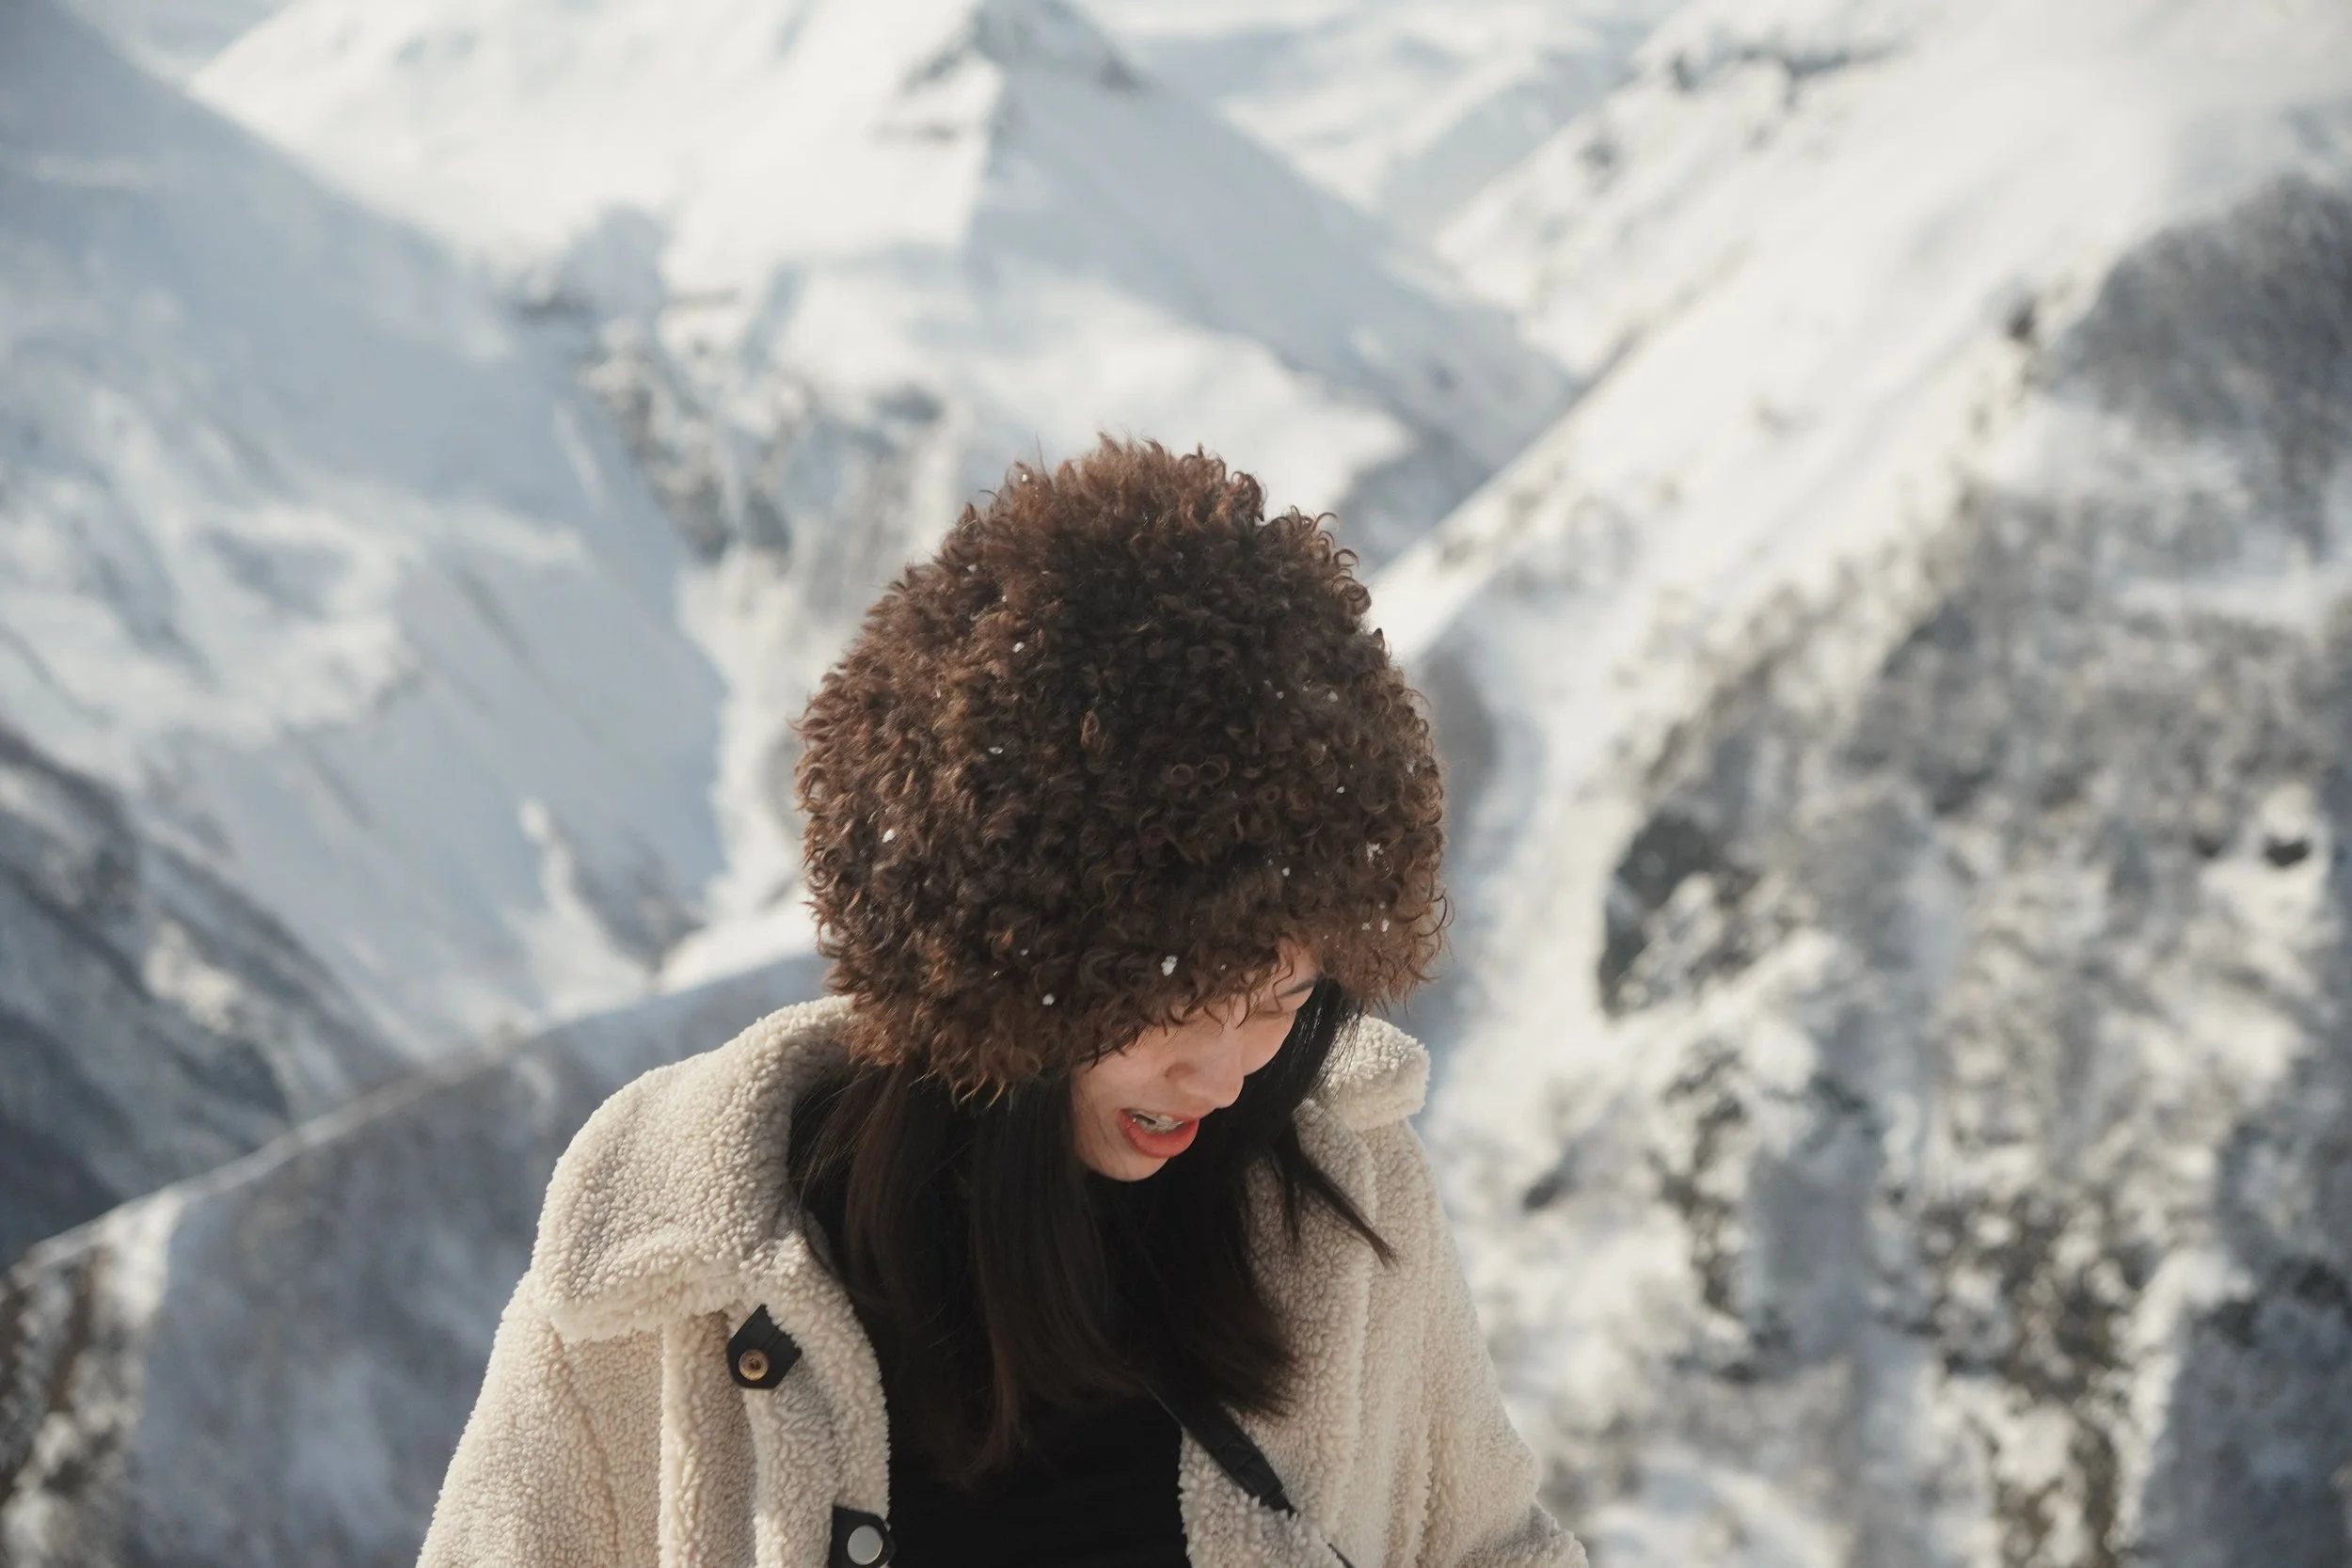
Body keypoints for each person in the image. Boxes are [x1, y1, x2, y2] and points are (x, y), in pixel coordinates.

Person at [417, 439, 1585, 1568]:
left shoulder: (1338, 1204)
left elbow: (1490, 1548)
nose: (1227, 1072)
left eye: (1285, 995)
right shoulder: (661, 1287)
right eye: (1184, 999)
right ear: (1015, 957)